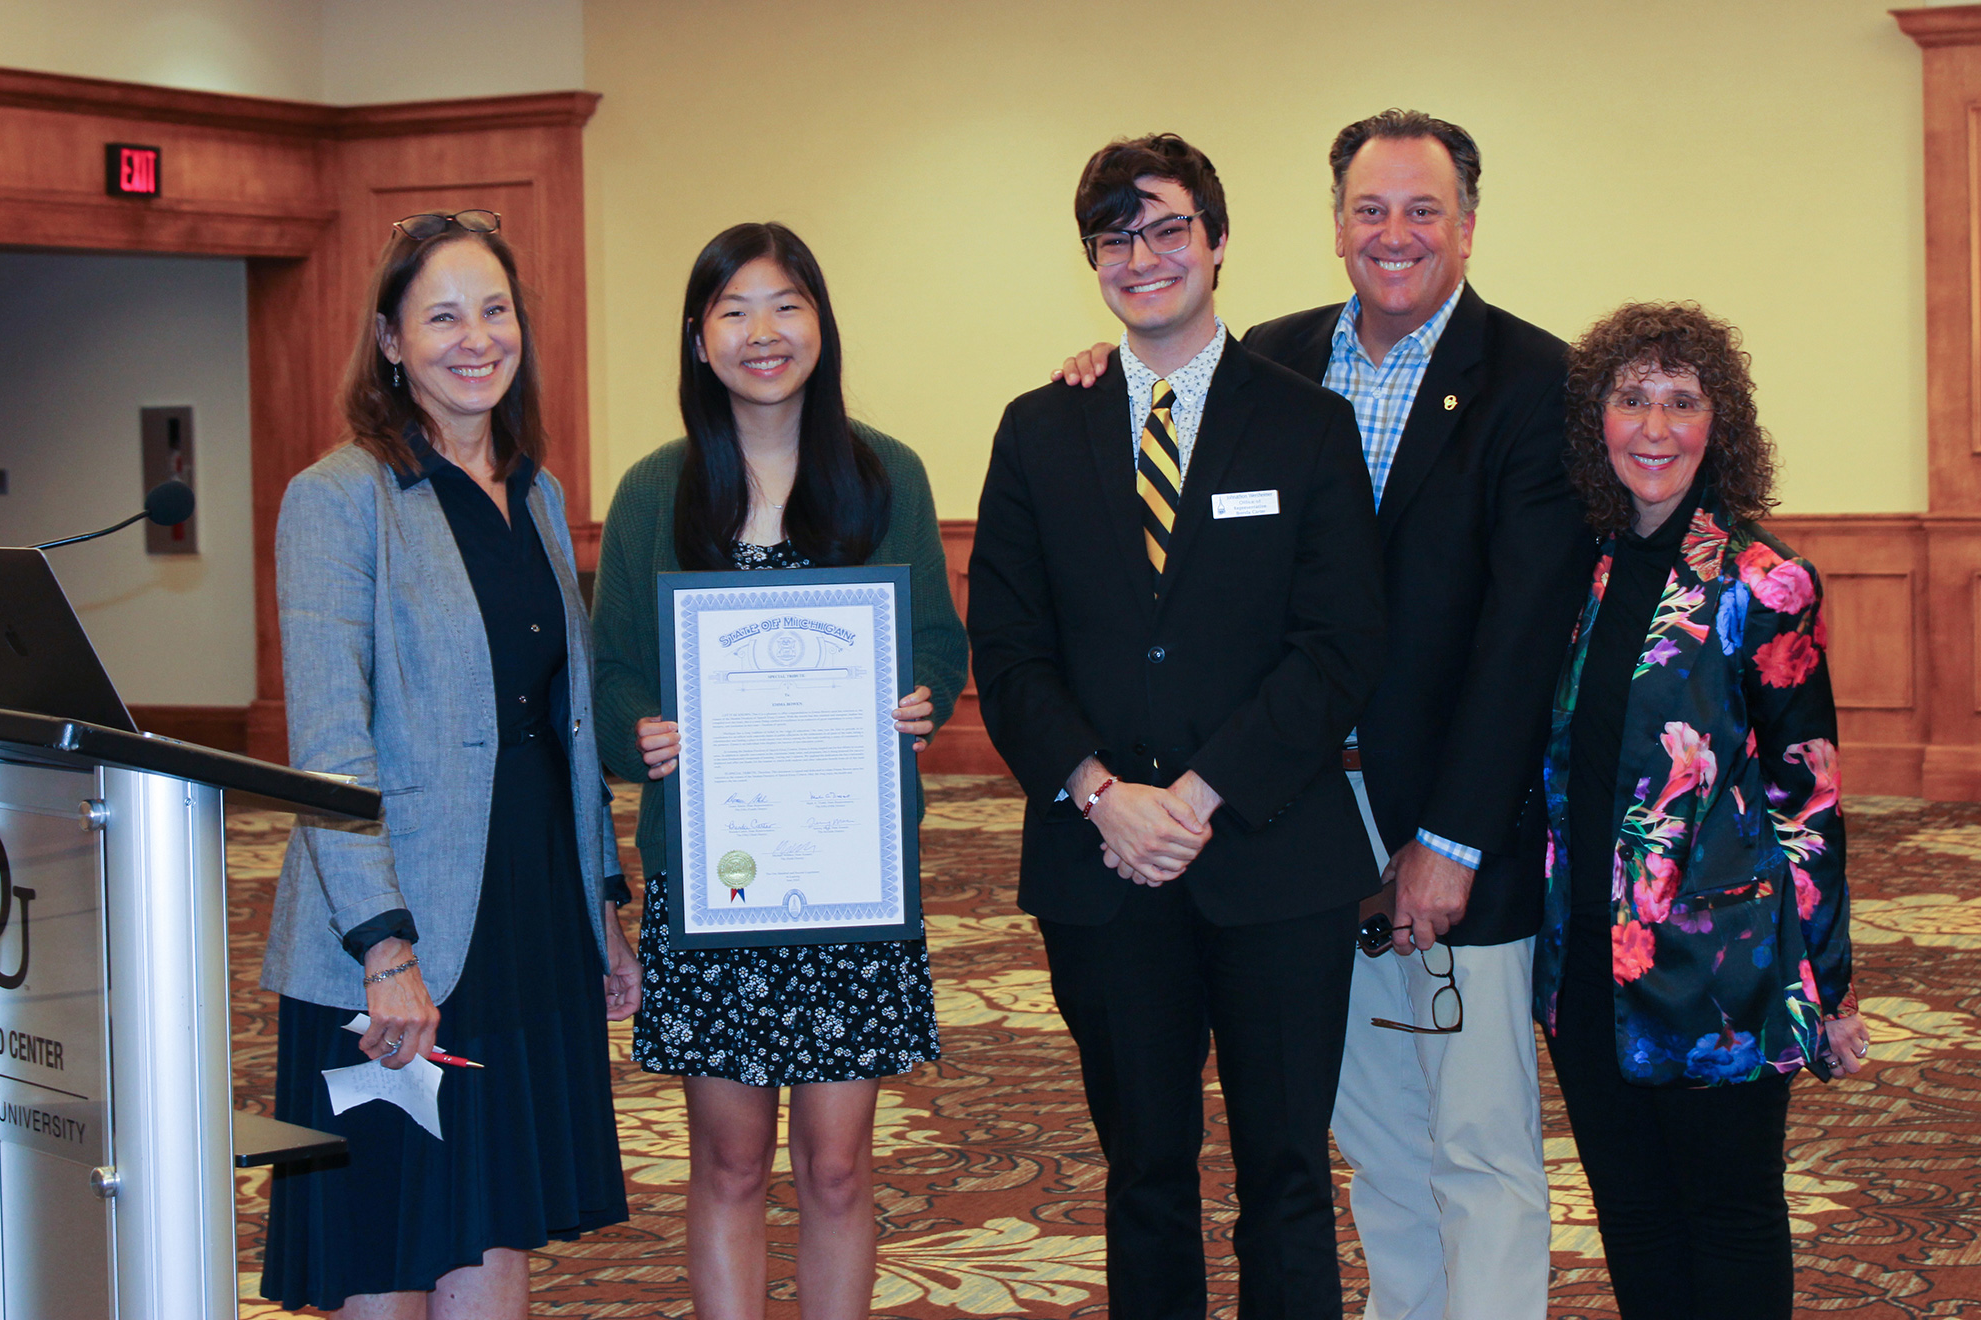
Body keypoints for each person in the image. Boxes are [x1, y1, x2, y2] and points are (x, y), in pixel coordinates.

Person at [1054, 110, 1592, 1319]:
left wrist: (1448, 843)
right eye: (1368, 209)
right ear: (1331, 222)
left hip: (1445, 821)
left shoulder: (1534, 383)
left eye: (1421, 210)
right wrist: (1101, 370)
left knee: (1477, 1139)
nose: (1393, 234)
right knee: (1368, 1145)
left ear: (1466, 223)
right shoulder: (1280, 361)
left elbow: (1519, 644)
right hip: (1284, 830)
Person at [970, 133, 1386, 1320]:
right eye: (1116, 237)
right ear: (1092, 258)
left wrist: (1193, 798)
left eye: (1166, 229)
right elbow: (1009, 654)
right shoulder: (1038, 430)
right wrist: (1104, 795)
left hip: (1270, 863)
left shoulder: (1307, 426)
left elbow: (1339, 648)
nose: (1142, 258)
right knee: (1143, 1175)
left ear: (1215, 238)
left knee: (1287, 1175)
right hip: (1102, 870)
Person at [260, 209, 637, 1319]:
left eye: (494, 310)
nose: (476, 338)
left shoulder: (537, 490)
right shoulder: (339, 497)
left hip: (527, 916)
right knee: (390, 1241)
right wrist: (384, 950)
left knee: (494, 1219)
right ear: (389, 340)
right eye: (440, 316)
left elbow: (559, 723)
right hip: (394, 932)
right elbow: (328, 747)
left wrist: (600, 901)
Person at [589, 221, 967, 1320]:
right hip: (718, 885)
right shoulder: (656, 491)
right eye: (735, 310)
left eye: (786, 305)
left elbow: (936, 643)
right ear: (698, 340)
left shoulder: (884, 470)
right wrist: (641, 733)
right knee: (730, 1166)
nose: (764, 333)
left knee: (840, 1168)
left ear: (821, 325)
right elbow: (612, 669)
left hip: (852, 881)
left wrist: (918, 699)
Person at [1541, 301, 1868, 1318]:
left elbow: (1807, 796)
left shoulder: (1763, 584)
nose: (1653, 426)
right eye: (1629, 398)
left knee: (1726, 1218)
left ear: (1718, 423)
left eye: (1681, 401)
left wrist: (1830, 981)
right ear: (1594, 420)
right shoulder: (1573, 571)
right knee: (1631, 1215)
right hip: (1586, 957)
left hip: (1721, 968)